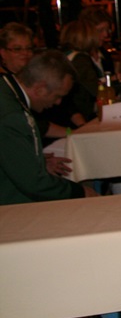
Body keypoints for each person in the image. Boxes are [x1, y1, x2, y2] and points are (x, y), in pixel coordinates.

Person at [0, 50, 98, 204]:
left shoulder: (6, 88)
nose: (58, 103)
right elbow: (34, 183)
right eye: (57, 96)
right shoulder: (13, 116)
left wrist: (36, 162)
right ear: (40, 88)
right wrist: (80, 192)